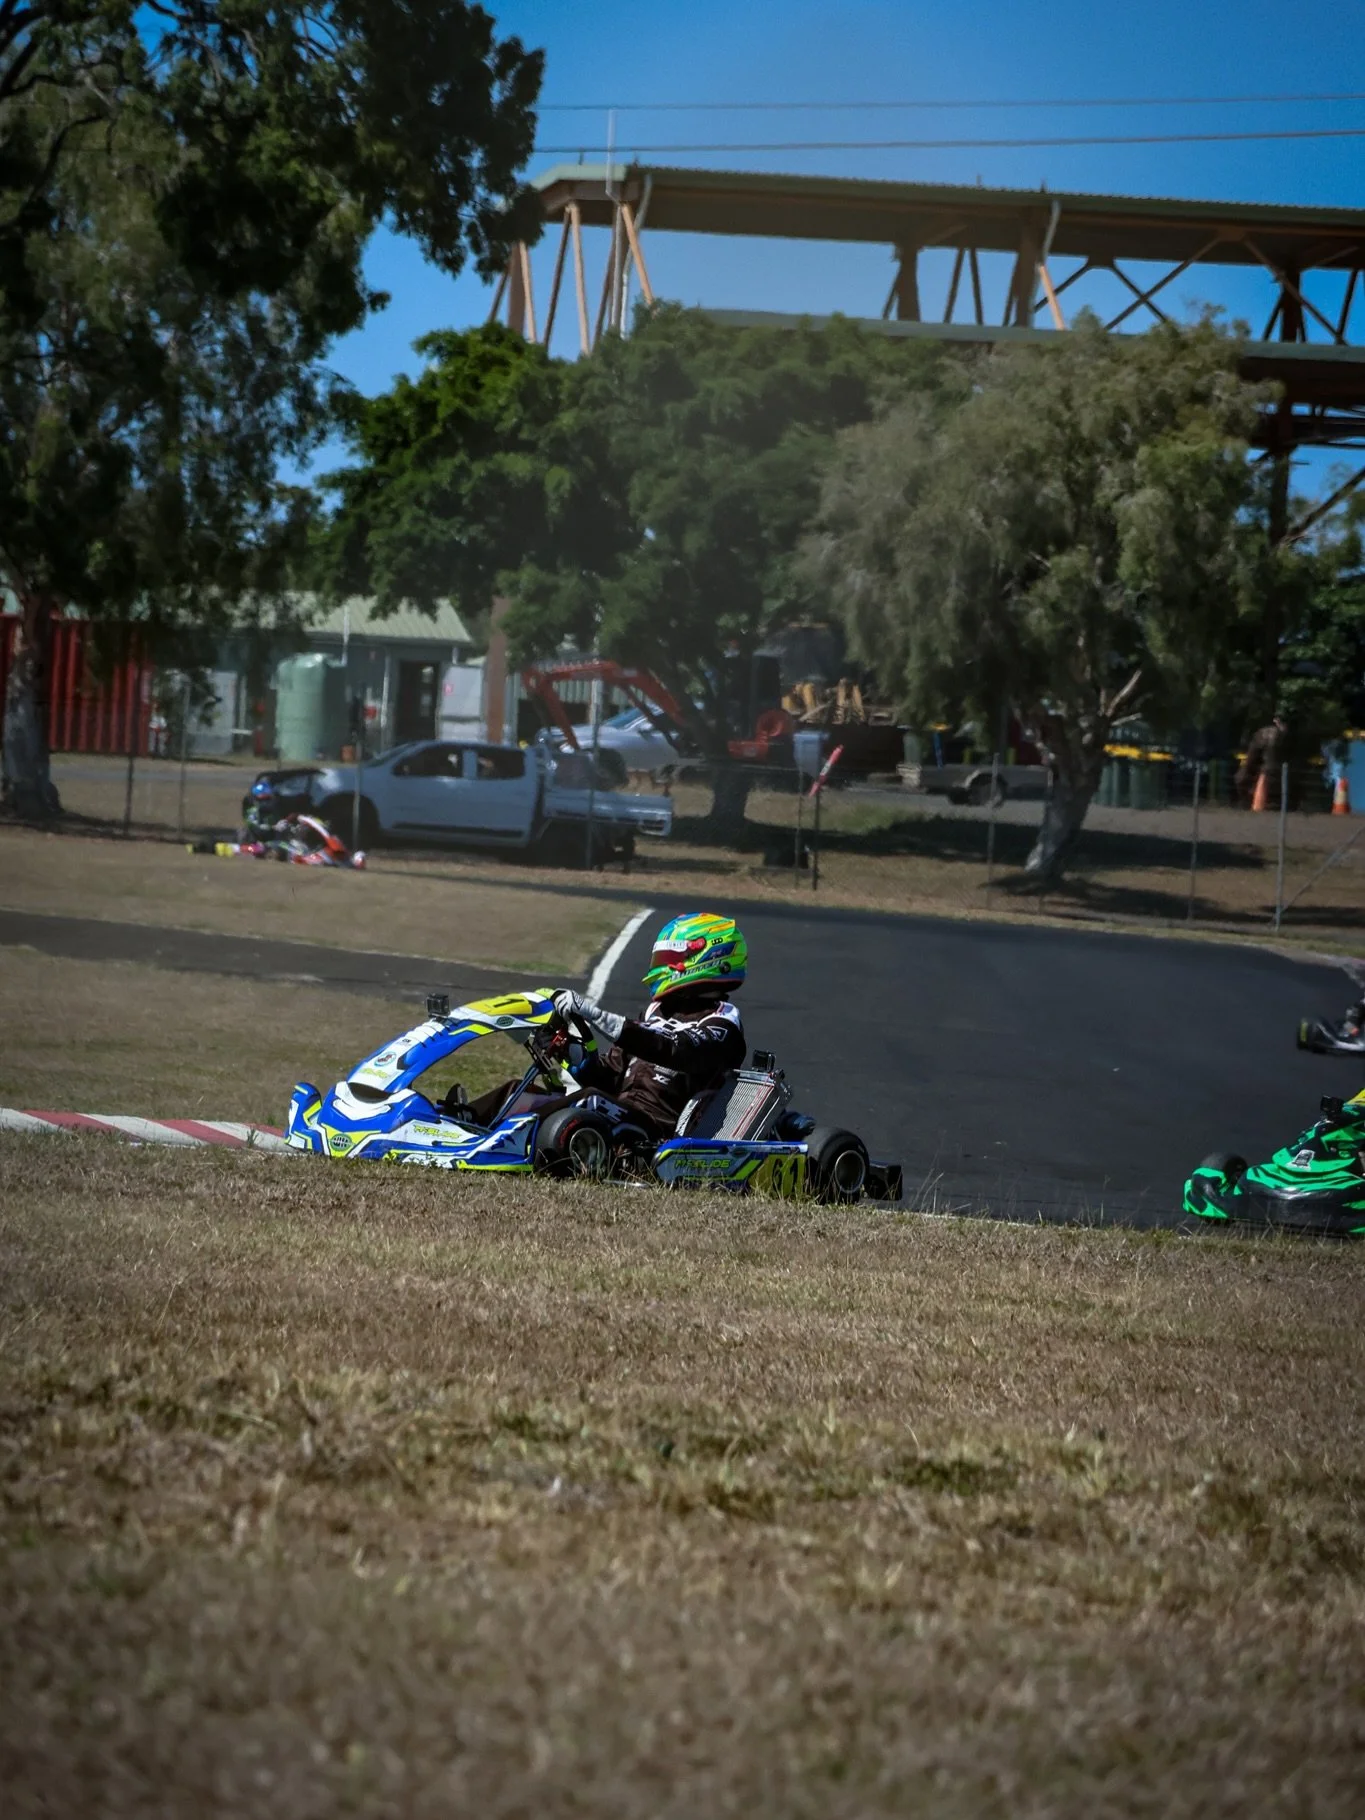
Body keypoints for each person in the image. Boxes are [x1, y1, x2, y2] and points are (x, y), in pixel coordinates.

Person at [459, 912, 748, 1141]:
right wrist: (574, 1057)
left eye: (670, 959)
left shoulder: (723, 1025)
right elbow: (609, 1077)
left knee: (591, 1101)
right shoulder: (656, 1013)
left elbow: (673, 1049)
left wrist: (595, 1015)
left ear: (710, 959)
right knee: (518, 1092)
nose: (662, 966)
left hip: (655, 1133)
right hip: (617, 1113)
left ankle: (499, 1139)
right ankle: (455, 1123)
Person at [1237, 713, 1287, 808]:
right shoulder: (1289, 735)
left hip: (1266, 776)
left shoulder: (1264, 734)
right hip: (1283, 776)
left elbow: (1251, 760)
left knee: (1244, 777)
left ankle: (1253, 805)